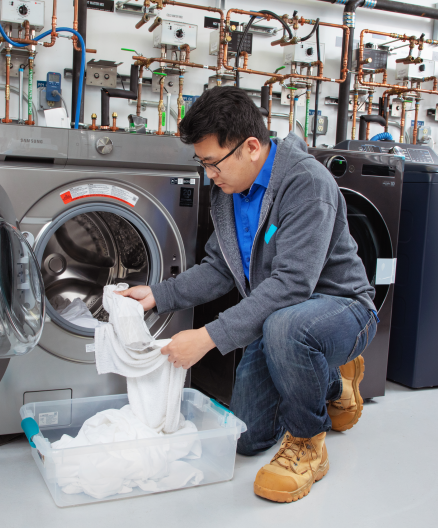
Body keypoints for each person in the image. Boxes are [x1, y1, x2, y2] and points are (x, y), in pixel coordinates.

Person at [118, 86, 378, 503]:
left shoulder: (306, 183)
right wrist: (158, 295)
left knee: (285, 327)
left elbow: (292, 285)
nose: (209, 175)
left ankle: (309, 442)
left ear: (251, 147)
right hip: (282, 320)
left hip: (341, 307)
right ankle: (334, 383)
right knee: (247, 436)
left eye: (212, 163)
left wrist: (206, 338)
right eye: (202, 164)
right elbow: (220, 268)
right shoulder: (228, 194)